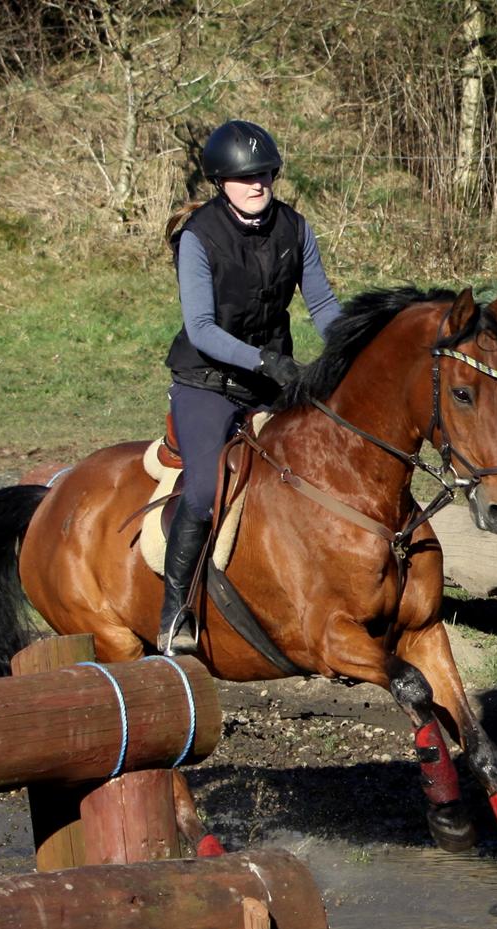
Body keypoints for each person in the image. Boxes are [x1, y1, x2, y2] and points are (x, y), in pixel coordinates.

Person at [159, 118, 342, 654]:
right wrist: (267, 361)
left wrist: (351, 348)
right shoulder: (199, 238)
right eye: (244, 177)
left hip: (274, 377)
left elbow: (324, 306)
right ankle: (176, 612)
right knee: (202, 491)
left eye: (264, 174)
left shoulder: (295, 228)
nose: (256, 184)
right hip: (208, 381)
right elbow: (202, 329)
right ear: (221, 182)